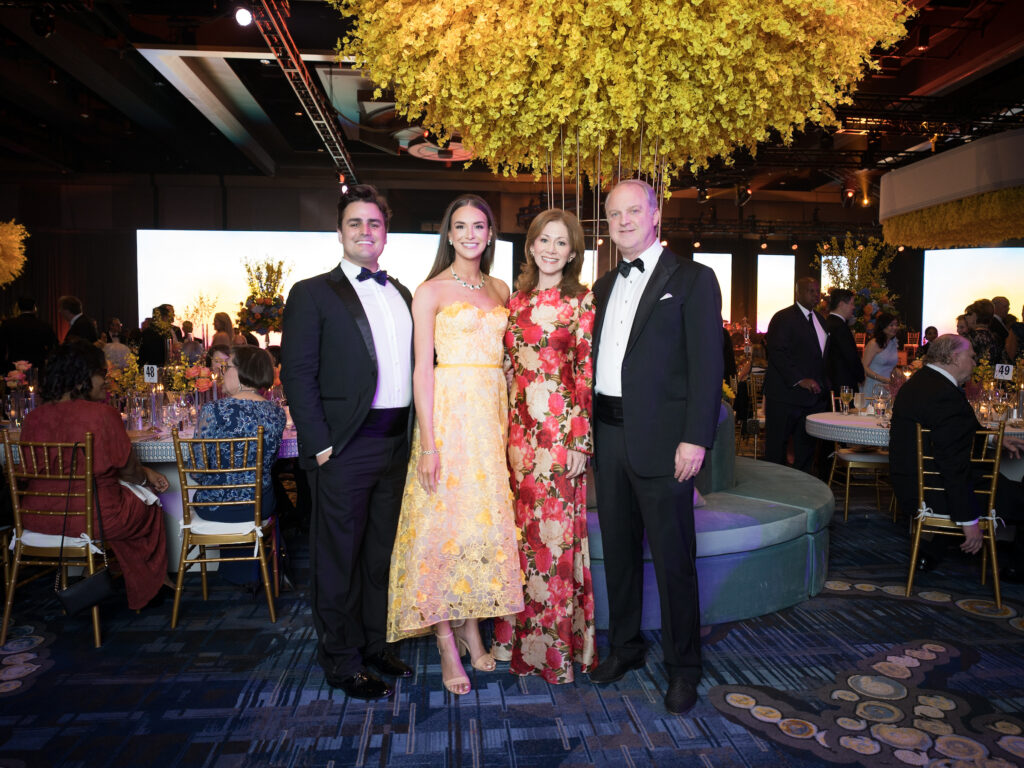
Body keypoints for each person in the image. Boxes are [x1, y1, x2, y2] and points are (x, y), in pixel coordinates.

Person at [588, 179, 723, 716]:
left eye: (633, 211)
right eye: (614, 213)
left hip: (667, 444)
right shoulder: (602, 286)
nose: (623, 221)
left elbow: (708, 366)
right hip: (608, 436)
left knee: (673, 561)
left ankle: (683, 667)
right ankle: (625, 648)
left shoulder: (693, 278)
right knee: (620, 555)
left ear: (655, 214)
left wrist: (696, 438)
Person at [386, 194, 524, 696]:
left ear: (490, 234)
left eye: (479, 226)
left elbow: (508, 364)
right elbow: (423, 371)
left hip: (490, 419)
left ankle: (472, 628)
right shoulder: (430, 291)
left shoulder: (500, 289)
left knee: (478, 526)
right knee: (440, 526)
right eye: (460, 226)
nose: (470, 234)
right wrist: (429, 444)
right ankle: (447, 640)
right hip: (448, 419)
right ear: (449, 234)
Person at [280, 184, 413, 701]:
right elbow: (297, 374)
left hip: (397, 446)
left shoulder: (402, 293)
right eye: (355, 223)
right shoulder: (311, 293)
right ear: (339, 232)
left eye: (374, 223)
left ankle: (375, 645)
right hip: (344, 448)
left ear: (386, 232)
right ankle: (340, 660)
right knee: (337, 558)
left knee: (380, 556)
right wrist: (319, 444)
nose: (365, 231)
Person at [491, 209, 598, 684]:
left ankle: (553, 654)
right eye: (544, 240)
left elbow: (585, 374)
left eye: (561, 242)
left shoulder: (582, 302)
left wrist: (580, 440)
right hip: (517, 437)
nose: (551, 249)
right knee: (518, 540)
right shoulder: (513, 303)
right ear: (531, 245)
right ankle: (513, 641)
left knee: (553, 543)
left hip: (559, 438)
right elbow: (506, 370)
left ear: (573, 253)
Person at [19, 341, 172, 610]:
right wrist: (146, 479)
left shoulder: (33, 418)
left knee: (121, 504)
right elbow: (129, 471)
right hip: (95, 517)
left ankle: (129, 579)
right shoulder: (102, 415)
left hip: (37, 516)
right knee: (148, 505)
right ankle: (148, 589)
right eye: (101, 373)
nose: (107, 379)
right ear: (82, 378)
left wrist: (141, 474)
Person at [889, 334, 1024, 581]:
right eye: (971, 357)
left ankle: (931, 551)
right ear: (954, 357)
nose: (975, 362)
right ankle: (1018, 569)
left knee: (1003, 484)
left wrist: (994, 439)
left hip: (915, 483)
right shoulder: (944, 394)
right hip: (934, 492)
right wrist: (969, 520)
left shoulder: (923, 382)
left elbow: (954, 433)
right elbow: (953, 464)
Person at [193, 346, 286, 586]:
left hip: (216, 507)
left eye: (228, 367)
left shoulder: (212, 410)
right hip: (259, 505)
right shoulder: (277, 413)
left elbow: (197, 470)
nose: (223, 372)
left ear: (243, 371)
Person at [764, 277, 830, 472]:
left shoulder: (820, 320)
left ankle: (802, 487)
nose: (816, 295)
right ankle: (773, 487)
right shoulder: (783, 317)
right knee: (777, 448)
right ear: (798, 293)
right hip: (784, 396)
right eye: (811, 291)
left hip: (811, 399)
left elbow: (821, 357)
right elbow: (777, 352)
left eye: (817, 291)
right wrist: (800, 379)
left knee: (807, 450)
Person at [824, 288, 864, 396]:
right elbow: (850, 355)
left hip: (830, 381)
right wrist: (860, 375)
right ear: (841, 304)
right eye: (851, 303)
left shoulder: (826, 323)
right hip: (843, 383)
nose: (853, 307)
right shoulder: (840, 327)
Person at [0, 297, 58, 372]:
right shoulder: (44, 325)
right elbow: (53, 346)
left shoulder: (8, 324)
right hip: (37, 365)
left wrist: (3, 366)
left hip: (15, 365)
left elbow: (2, 347)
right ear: (34, 308)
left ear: (18, 308)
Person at [860, 312, 899, 398]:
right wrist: (883, 379)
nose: (895, 328)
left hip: (888, 386)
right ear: (883, 326)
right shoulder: (874, 343)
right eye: (891, 325)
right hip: (874, 385)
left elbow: (892, 367)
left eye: (896, 325)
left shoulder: (893, 343)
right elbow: (864, 367)